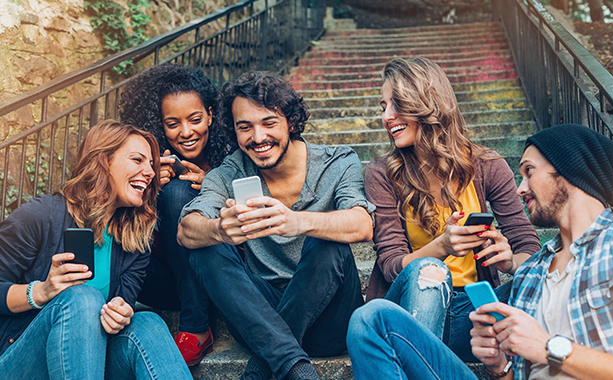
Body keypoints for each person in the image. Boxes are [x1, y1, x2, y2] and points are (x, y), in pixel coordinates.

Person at [347, 123, 613, 380]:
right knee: (371, 318)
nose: (520, 188)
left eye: (529, 171)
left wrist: (550, 348)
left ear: (570, 169)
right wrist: (498, 365)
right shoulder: (532, 274)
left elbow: (544, 349)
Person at [177, 72, 375, 380]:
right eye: (245, 127)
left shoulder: (337, 161)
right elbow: (186, 229)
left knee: (326, 237)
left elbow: (362, 223)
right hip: (259, 316)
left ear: (291, 122)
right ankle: (296, 368)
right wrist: (219, 229)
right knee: (205, 249)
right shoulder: (229, 172)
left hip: (329, 321)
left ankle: (261, 369)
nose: (257, 138)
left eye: (269, 123)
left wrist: (298, 221)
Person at [363, 57, 540, 361]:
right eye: (383, 107)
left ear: (427, 103)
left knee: (540, 280)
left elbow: (529, 248)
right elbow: (391, 266)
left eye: (397, 104)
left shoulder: (487, 167)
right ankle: (424, 363)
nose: (387, 116)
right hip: (409, 311)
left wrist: (509, 262)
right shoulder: (382, 173)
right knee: (430, 271)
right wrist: (441, 247)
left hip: (472, 312)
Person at [0, 120, 193, 379]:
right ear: (103, 161)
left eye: (151, 164)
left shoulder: (134, 239)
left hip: (87, 362)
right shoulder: (41, 215)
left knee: (148, 322)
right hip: (19, 361)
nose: (149, 171)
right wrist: (41, 291)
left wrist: (121, 313)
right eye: (137, 160)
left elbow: (122, 303)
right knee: (83, 299)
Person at [119, 63, 235, 365]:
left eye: (195, 119)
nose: (186, 132)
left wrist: (213, 184)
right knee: (169, 195)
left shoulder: (234, 154)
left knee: (179, 194)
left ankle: (195, 328)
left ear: (211, 114)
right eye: (173, 124)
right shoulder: (147, 163)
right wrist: (146, 187)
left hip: (223, 273)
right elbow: (131, 239)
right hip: (170, 279)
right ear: (160, 125)